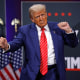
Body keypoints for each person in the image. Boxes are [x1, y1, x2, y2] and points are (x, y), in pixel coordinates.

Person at [0, 4, 78, 80]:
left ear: (46, 14)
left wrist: (69, 31)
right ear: (32, 19)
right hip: (33, 73)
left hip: (54, 73)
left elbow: (73, 44)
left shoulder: (57, 27)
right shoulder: (25, 30)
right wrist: (6, 46)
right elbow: (16, 43)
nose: (41, 19)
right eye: (37, 16)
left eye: (43, 15)